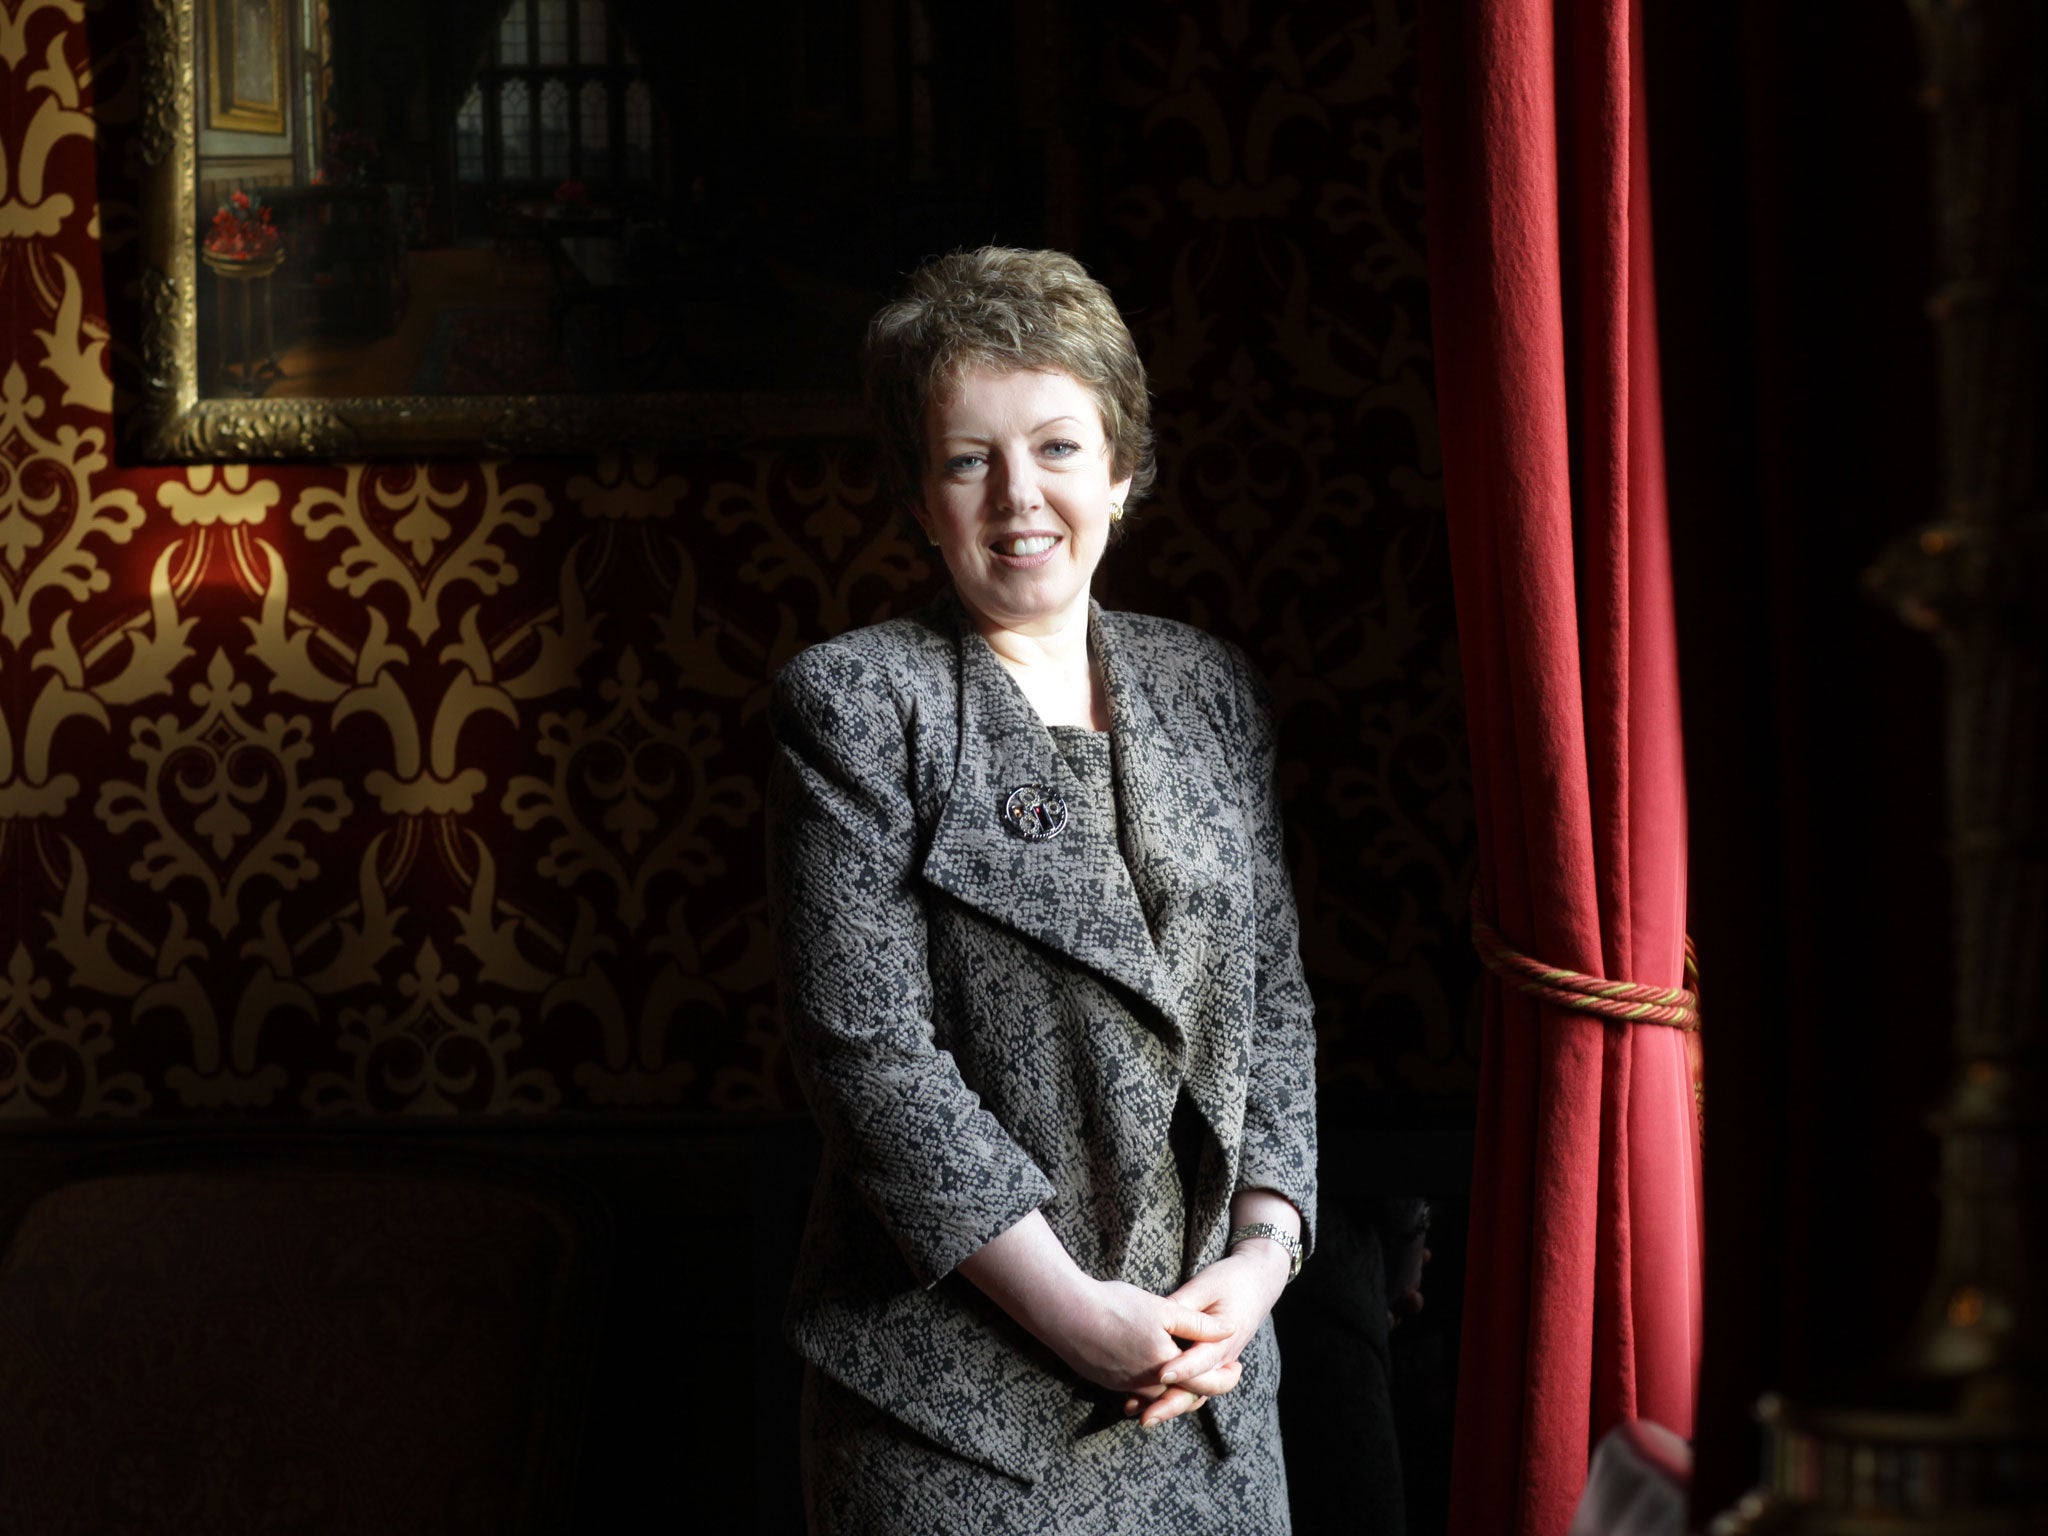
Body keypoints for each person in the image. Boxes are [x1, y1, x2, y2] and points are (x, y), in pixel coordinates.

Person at [767, 246, 1319, 1534]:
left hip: (1208, 1394)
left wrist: (1261, 1259)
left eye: (1059, 447)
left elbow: (1275, 1004)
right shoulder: (858, 703)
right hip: (962, 1413)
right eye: (968, 459)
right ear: (919, 497)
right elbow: (869, 1058)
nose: (1019, 496)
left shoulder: (1210, 689)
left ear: (1122, 474)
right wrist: (1076, 1314)